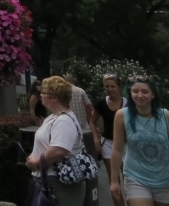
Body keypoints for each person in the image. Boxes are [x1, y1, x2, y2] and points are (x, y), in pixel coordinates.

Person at [111, 75, 169, 204]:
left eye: (145, 92)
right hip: (136, 177)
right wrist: (114, 181)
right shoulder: (122, 115)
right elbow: (117, 149)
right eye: (135, 91)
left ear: (153, 95)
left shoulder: (166, 116)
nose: (140, 95)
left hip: (165, 179)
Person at [26, 76, 87, 206]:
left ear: (54, 97)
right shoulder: (53, 118)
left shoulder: (64, 121)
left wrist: (37, 162)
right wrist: (33, 156)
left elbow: (59, 150)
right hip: (49, 178)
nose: (40, 95)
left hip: (59, 182)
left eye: (44, 92)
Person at [90, 74, 127, 184]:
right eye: (107, 86)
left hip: (126, 144)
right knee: (114, 179)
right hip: (108, 143)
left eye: (112, 86)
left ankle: (131, 201)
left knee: (128, 178)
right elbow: (92, 122)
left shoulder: (128, 104)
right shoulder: (101, 104)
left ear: (119, 87)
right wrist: (96, 140)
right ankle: (118, 200)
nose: (109, 89)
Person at [64, 74, 97, 158]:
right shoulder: (80, 91)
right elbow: (88, 106)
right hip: (82, 123)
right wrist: (90, 118)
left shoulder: (63, 92)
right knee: (85, 144)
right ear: (73, 81)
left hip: (68, 123)